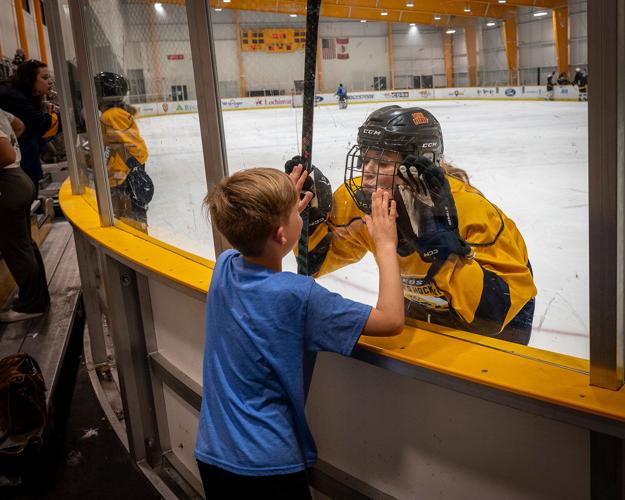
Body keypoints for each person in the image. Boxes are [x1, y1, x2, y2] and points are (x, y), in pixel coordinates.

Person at [195, 166, 403, 498]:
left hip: (212, 451)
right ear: (280, 234)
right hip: (267, 465)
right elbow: (391, 319)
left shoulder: (224, 268)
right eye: (294, 212)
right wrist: (386, 244)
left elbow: (251, 236)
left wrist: (277, 209)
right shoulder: (299, 296)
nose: (299, 214)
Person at [288, 105, 537, 345]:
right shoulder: (359, 202)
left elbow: (495, 315)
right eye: (365, 159)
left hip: (500, 313)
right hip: (423, 299)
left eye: (383, 163)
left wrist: (443, 253)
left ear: (419, 164)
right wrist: (310, 223)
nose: (367, 172)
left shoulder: (471, 211)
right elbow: (312, 265)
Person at [0, 108, 50, 323]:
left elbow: (6, 155)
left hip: (6, 182)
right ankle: (38, 298)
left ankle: (32, 304)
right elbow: (19, 124)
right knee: (24, 245)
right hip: (19, 177)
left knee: (17, 248)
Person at [93, 71, 153, 232]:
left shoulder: (112, 115)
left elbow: (137, 150)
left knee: (132, 224)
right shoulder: (110, 114)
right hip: (121, 178)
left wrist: (130, 173)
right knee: (128, 222)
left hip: (124, 180)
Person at [0, 59, 59, 190]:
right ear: (30, 79)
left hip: (26, 161)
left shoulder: (24, 94)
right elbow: (40, 124)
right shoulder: (13, 95)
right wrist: (55, 115)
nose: (50, 82)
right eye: (44, 77)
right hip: (15, 168)